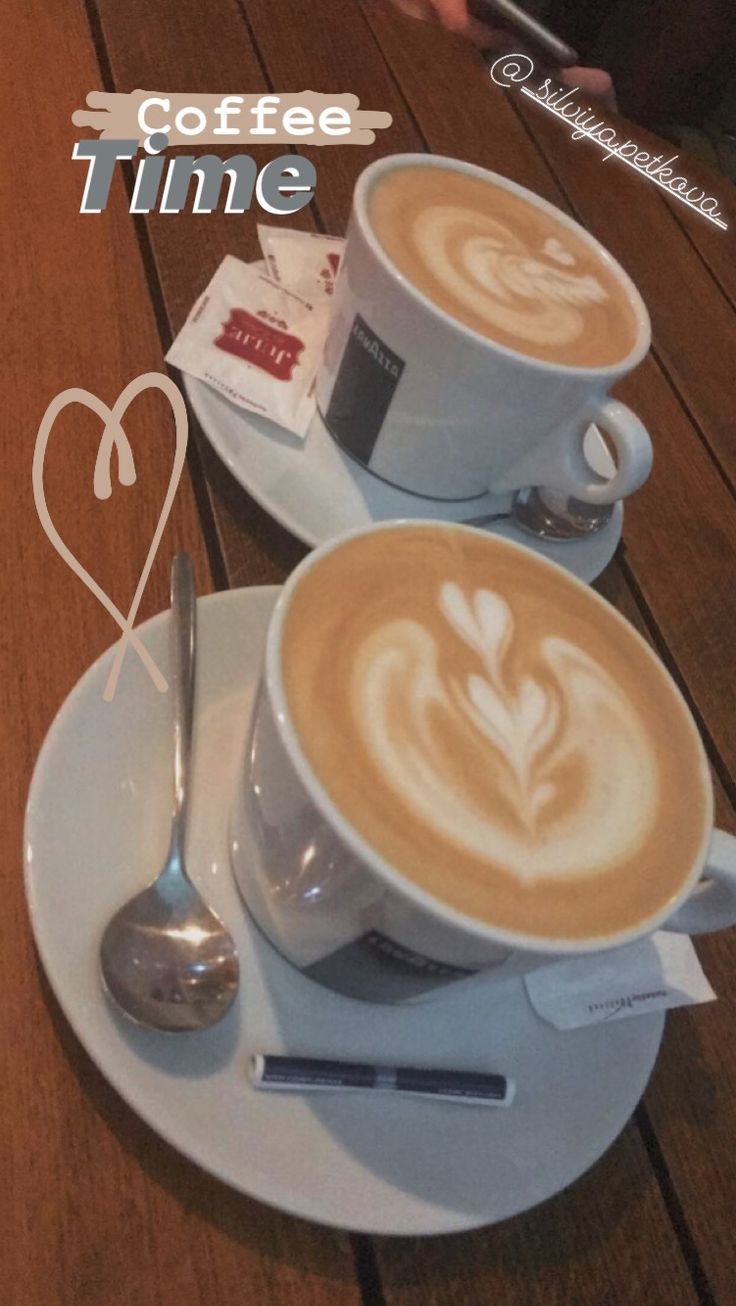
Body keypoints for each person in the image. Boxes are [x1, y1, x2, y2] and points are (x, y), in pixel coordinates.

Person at [390, 0, 615, 104]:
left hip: (459, 52)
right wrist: (508, 42)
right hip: (430, 49)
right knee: (601, 84)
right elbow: (457, 22)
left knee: (599, 83)